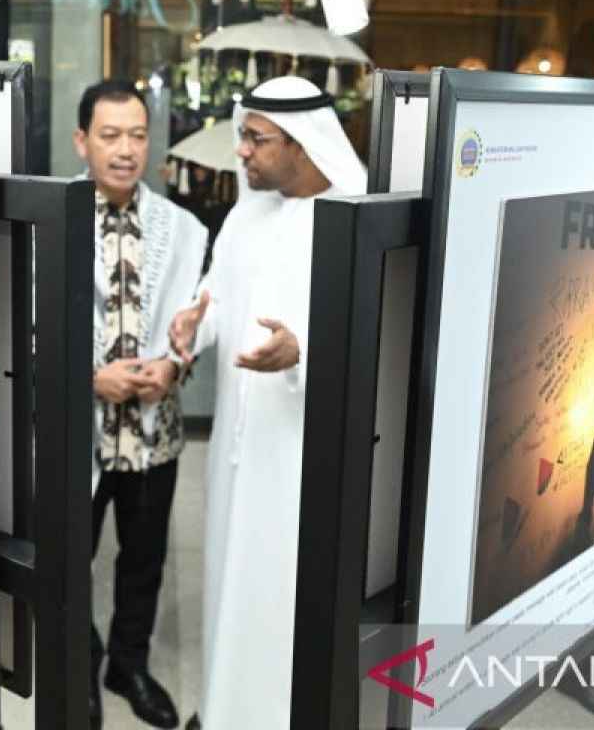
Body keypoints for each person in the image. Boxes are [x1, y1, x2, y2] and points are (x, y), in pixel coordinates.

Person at [168, 76, 366, 730]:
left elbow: (375, 337)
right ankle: (225, 709)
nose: (241, 152)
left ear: (304, 145)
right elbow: (220, 297)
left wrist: (302, 351)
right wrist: (196, 325)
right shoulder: (244, 216)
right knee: (229, 579)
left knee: (285, 595)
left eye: (255, 139)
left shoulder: (357, 219)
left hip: (301, 454)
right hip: (235, 448)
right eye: (242, 135)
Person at [75, 79, 207, 730]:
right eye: (109, 136)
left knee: (145, 560)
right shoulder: (55, 222)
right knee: (73, 559)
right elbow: (25, 328)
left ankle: (127, 665)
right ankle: (84, 663)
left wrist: (176, 364)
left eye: (136, 135)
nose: (125, 150)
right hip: (83, 432)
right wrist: (86, 377)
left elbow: (202, 322)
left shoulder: (183, 229)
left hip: (156, 433)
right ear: (82, 142)